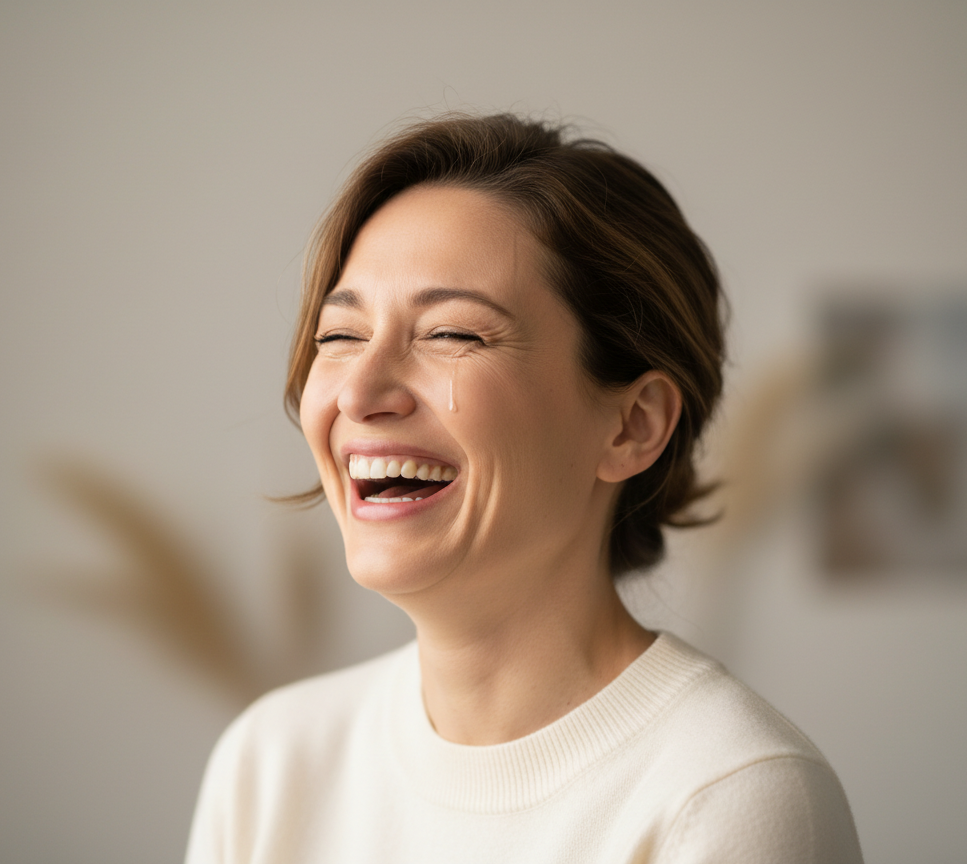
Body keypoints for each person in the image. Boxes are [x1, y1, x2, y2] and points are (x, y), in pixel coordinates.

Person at [185, 113, 863, 863]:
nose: (360, 392)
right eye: (339, 337)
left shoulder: (731, 798)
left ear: (632, 426)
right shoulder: (270, 764)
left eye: (452, 334)